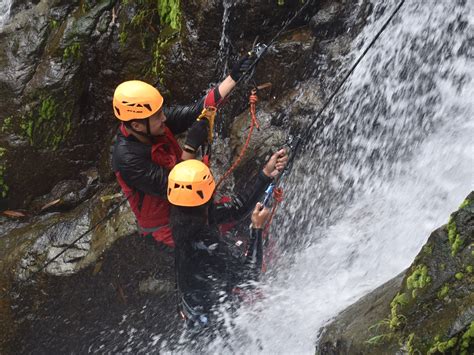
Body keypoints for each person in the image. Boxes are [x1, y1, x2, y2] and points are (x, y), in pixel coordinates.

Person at [111, 55, 256, 247]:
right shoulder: (127, 159)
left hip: (194, 208)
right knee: (221, 250)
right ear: (137, 126)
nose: (164, 118)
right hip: (168, 227)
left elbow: (197, 111)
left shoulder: (152, 124)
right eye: (157, 116)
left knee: (244, 218)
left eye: (161, 112)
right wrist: (190, 146)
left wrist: (234, 77)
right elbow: (178, 188)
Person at [167, 151, 287, 329]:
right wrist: (256, 229)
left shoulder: (185, 215)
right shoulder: (206, 243)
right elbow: (250, 276)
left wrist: (266, 174)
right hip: (212, 321)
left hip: (199, 306)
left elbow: (237, 208)